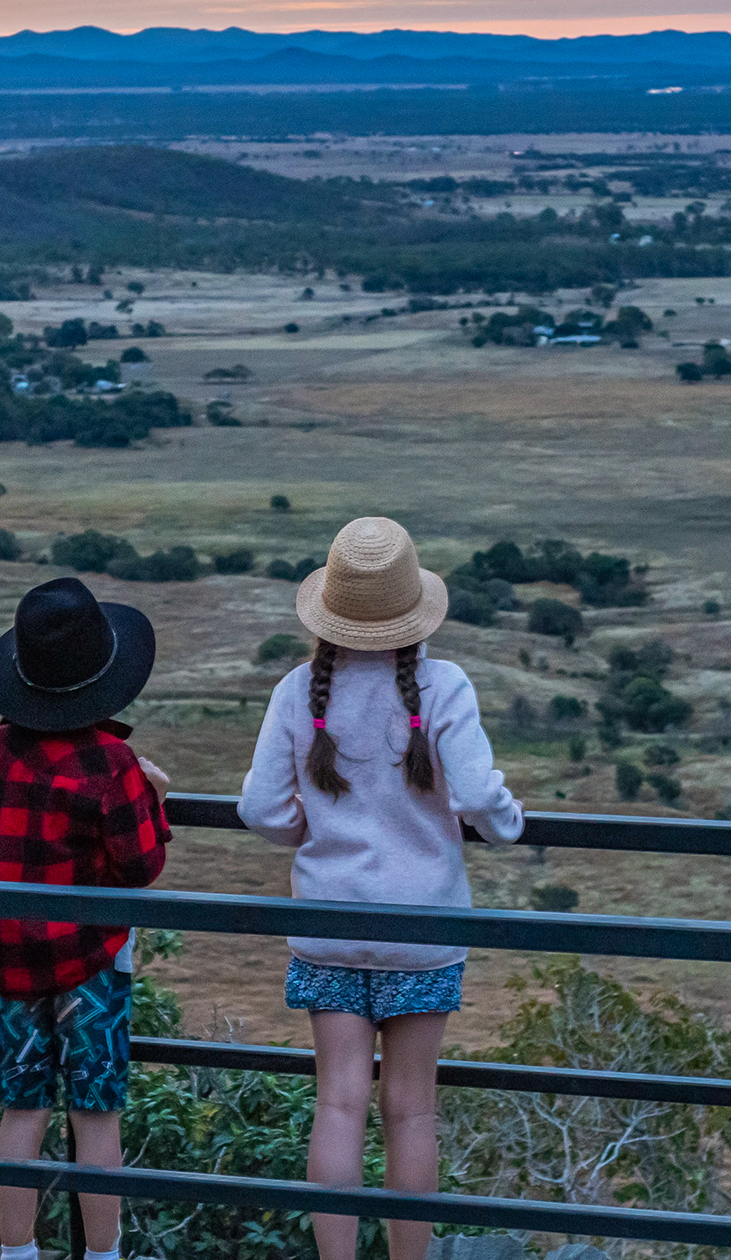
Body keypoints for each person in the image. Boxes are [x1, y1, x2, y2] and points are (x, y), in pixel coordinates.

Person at [241, 516, 524, 1260]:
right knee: (411, 1115)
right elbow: (477, 795)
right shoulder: (443, 684)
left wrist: (307, 836)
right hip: (422, 932)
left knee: (337, 1103)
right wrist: (507, 825)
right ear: (412, 608)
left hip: (330, 924)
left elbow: (258, 809)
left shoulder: (300, 690)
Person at [0, 576, 174, 1260]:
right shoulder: (112, 765)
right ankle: (104, 1256)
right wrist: (153, 796)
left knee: (22, 1110)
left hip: (14, 964)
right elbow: (142, 868)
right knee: (95, 1113)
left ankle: (18, 1253)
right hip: (93, 967)